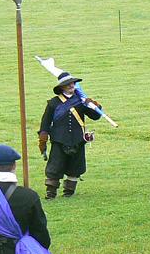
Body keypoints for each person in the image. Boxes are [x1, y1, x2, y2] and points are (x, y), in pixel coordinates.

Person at [38, 71, 103, 199]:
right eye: (67, 84)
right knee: (55, 167)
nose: (71, 85)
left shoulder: (81, 101)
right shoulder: (53, 103)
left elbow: (96, 116)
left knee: (75, 167)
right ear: (62, 87)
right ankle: (51, 192)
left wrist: (94, 105)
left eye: (72, 83)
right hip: (59, 139)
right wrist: (43, 137)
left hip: (78, 140)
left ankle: (69, 191)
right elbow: (45, 122)